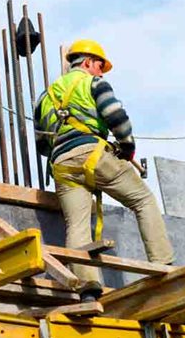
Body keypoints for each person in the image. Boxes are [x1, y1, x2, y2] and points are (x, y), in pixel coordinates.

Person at [34, 39, 174, 301]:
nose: (101, 72)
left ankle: (88, 289)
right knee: (143, 200)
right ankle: (163, 267)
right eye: (99, 66)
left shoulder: (45, 97)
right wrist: (127, 147)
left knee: (76, 225)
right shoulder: (93, 83)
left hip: (62, 164)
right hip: (94, 154)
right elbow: (116, 116)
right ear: (87, 62)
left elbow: (42, 144)